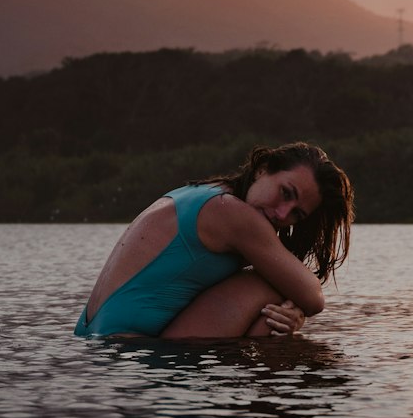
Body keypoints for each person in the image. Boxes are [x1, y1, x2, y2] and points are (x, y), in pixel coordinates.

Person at [74, 142, 353, 339]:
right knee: (269, 285)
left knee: (278, 293)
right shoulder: (232, 213)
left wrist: (291, 310)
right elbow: (314, 297)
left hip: (95, 343)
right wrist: (297, 307)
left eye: (297, 214)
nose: (282, 213)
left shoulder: (202, 193)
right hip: (130, 351)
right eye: (285, 192)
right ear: (262, 170)